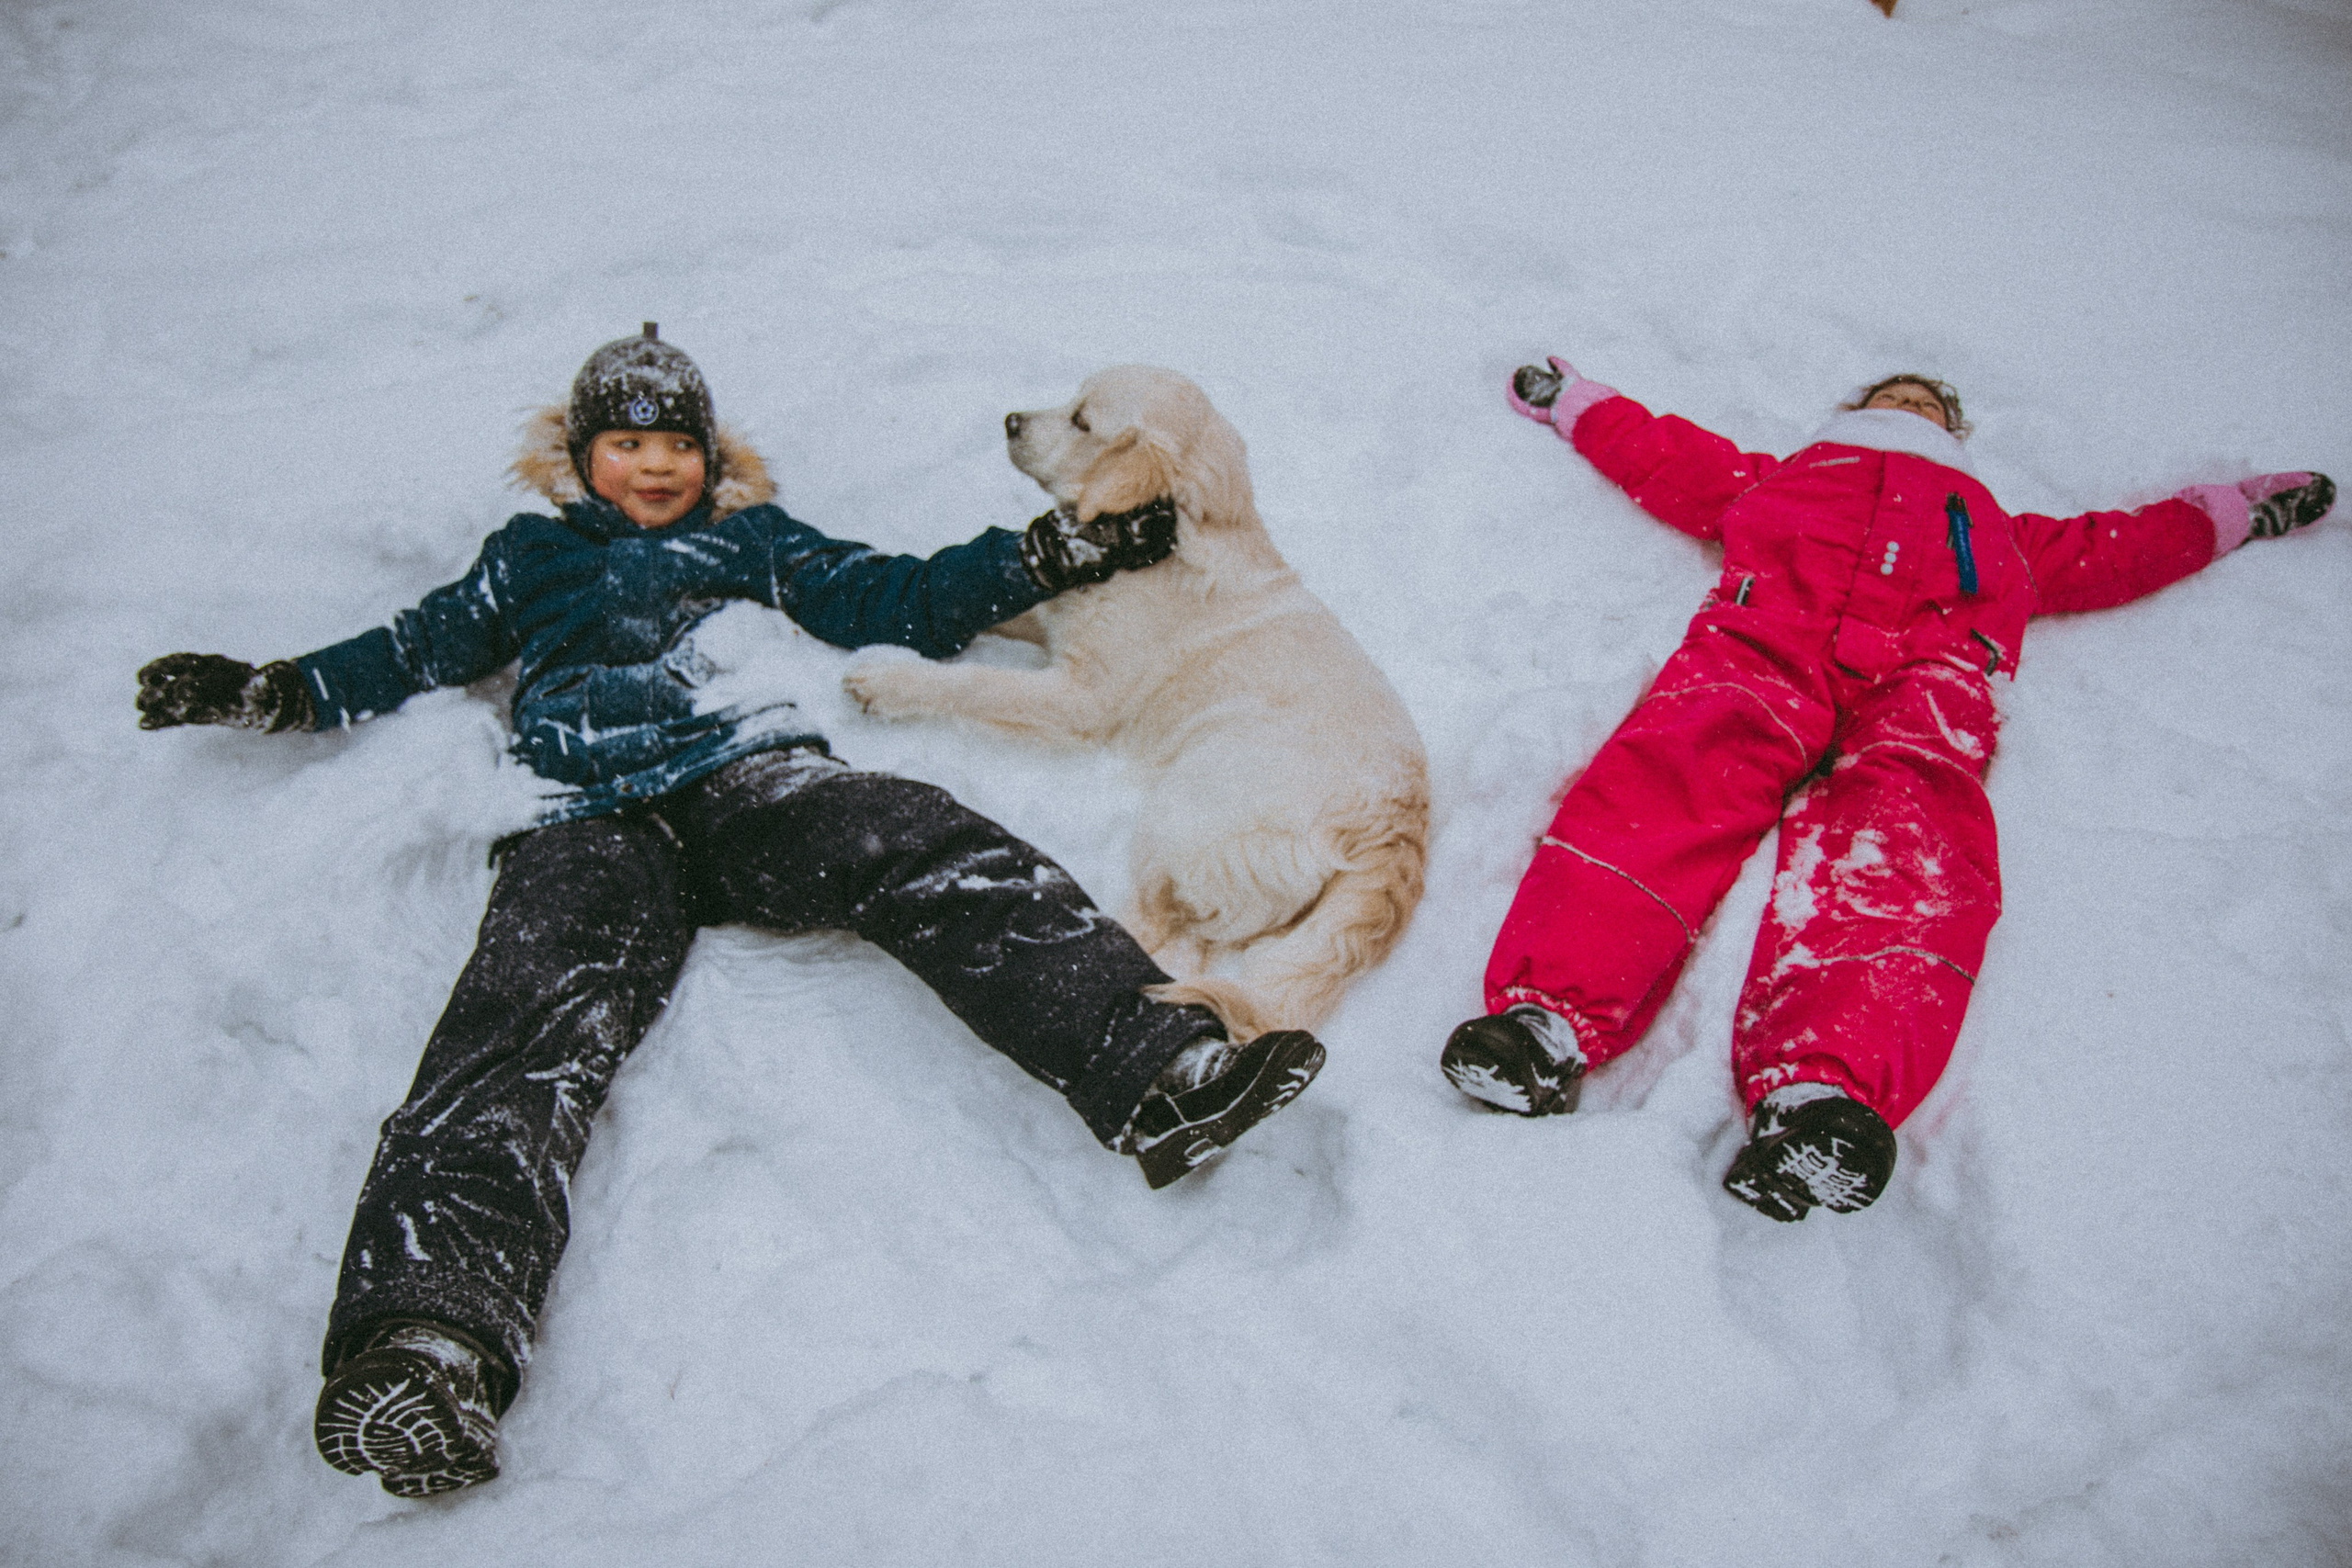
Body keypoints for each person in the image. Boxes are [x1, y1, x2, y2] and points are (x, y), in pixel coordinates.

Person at [135, 327, 1327, 1497]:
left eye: (676, 444)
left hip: (748, 778)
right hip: (584, 818)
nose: (654, 466)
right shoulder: (527, 559)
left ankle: (1151, 1064)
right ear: (580, 452)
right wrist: (274, 689)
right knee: (517, 1025)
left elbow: (892, 596)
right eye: (626, 442)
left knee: (921, 840)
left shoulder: (750, 537)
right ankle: (430, 1343)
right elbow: (412, 645)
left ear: (710, 454)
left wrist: (1043, 556)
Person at [1444, 355, 2335, 1222]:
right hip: (1763, 650)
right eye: (1892, 395)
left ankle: (1820, 1098)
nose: (1909, 406)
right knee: (1670, 779)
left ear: (1955, 433)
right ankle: (1545, 1023)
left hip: (1930, 680)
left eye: (1926, 402)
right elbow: (1664, 455)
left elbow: (2122, 548)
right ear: (1855, 409)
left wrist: (2238, 512)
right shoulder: (1788, 477)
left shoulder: (1996, 528)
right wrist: (1575, 399)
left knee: (1908, 846)